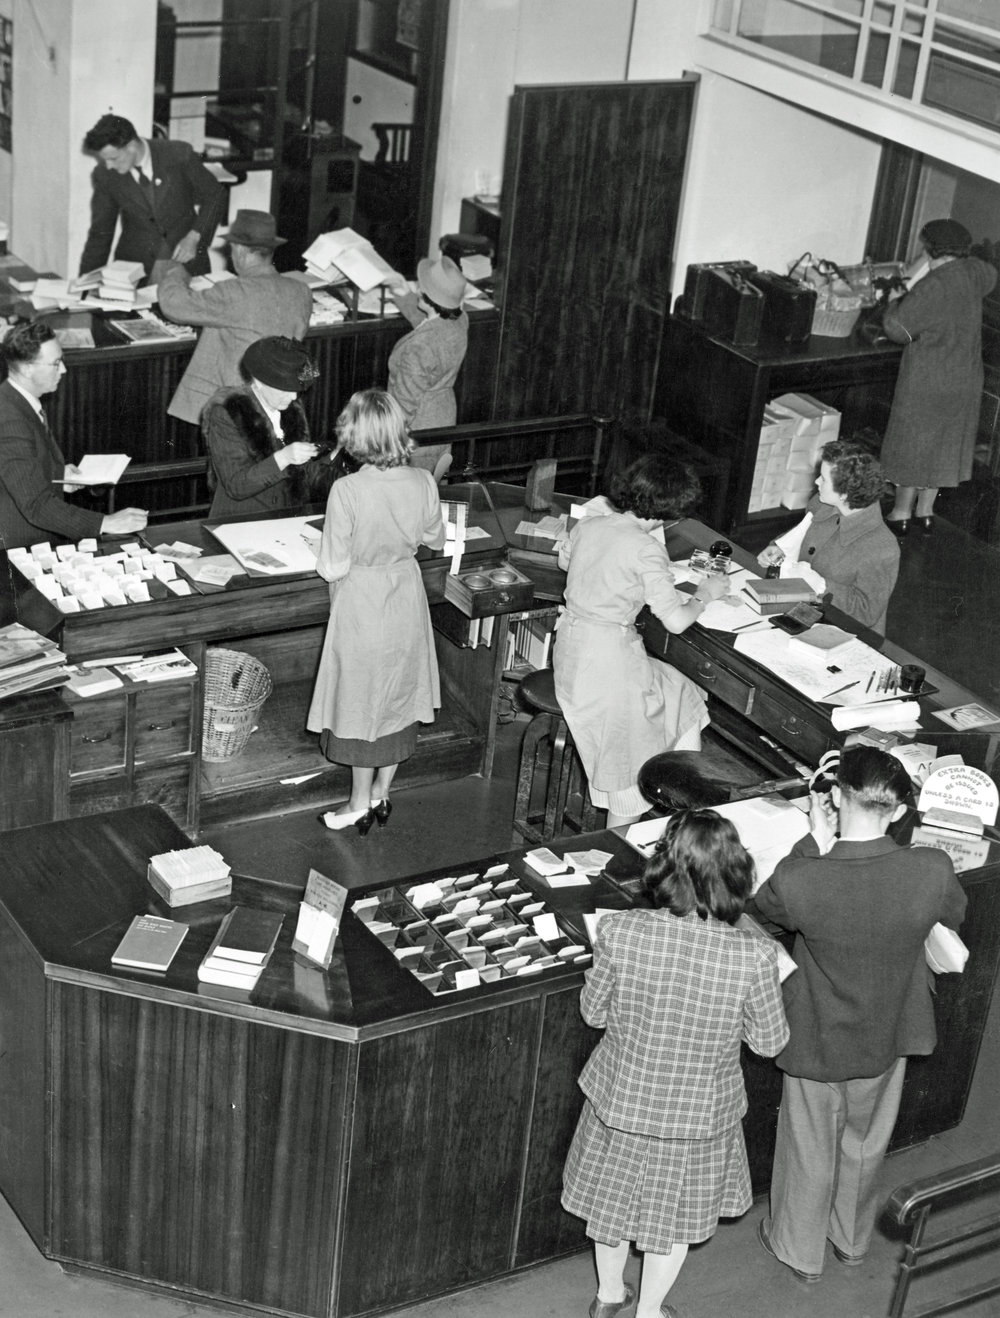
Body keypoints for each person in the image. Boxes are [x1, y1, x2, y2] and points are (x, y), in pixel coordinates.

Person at [750, 746, 967, 1282]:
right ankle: (850, 1239)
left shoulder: (804, 876)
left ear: (835, 796)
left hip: (817, 1033)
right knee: (867, 1141)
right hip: (892, 1029)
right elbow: (953, 914)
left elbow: (765, 904)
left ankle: (799, 1250)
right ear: (897, 811)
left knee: (809, 1145)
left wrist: (813, 841)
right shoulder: (931, 868)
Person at [563, 809, 789, 1318]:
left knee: (611, 1207)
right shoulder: (754, 956)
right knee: (674, 1222)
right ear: (735, 872)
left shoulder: (621, 930)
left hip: (620, 1100)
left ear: (665, 865)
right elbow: (769, 1043)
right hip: (697, 1117)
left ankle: (608, 1298)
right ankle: (649, 1313)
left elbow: (592, 1012)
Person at [553, 454, 728, 829]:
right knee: (631, 764)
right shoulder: (648, 548)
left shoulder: (592, 525)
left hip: (571, 650)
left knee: (682, 692)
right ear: (670, 510)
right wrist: (705, 593)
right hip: (608, 662)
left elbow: (567, 565)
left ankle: (682, 804)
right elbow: (677, 621)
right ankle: (623, 843)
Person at [306, 390, 445, 834]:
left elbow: (332, 565)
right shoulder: (423, 480)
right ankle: (383, 792)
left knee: (361, 697)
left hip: (362, 599)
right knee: (399, 693)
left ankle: (357, 803)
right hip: (405, 591)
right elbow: (435, 539)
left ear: (353, 437)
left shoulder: (346, 489)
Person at [879, 218, 997, 537]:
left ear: (929, 248)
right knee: (943, 444)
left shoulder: (933, 285)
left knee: (913, 444)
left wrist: (893, 301)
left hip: (929, 378)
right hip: (965, 377)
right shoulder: (976, 273)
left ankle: (901, 513)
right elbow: (988, 272)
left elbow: (898, 330)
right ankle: (926, 512)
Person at [157, 209, 313, 425]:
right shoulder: (302, 291)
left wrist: (176, 274)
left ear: (239, 249)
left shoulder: (235, 292)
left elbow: (173, 304)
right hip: (280, 407)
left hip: (233, 409)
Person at [0, 322, 147, 549]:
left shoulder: (15, 398)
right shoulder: (9, 419)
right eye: (56, 363)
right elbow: (36, 505)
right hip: (20, 547)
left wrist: (58, 475)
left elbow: (18, 471)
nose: (64, 370)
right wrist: (106, 522)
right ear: (28, 368)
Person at [756, 440, 899, 634]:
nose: (817, 482)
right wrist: (780, 547)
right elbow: (804, 532)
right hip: (799, 613)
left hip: (841, 633)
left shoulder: (882, 548)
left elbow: (866, 612)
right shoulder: (822, 502)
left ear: (844, 494)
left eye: (823, 479)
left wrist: (821, 585)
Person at [78, 113, 224, 279]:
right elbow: (101, 232)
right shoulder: (105, 175)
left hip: (187, 261)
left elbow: (215, 195)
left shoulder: (178, 154)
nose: (109, 166)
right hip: (136, 267)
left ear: (131, 146)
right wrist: (85, 281)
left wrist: (195, 236)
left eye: (113, 158)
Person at [201, 336, 326, 519]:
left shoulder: (292, 408)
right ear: (258, 382)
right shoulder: (227, 412)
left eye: (297, 390)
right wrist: (283, 458)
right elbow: (236, 485)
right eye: (285, 389)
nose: (293, 397)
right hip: (240, 520)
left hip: (286, 518)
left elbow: (303, 477)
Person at [385, 254, 468, 481]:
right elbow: (428, 323)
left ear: (427, 296)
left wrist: (384, 444)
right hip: (442, 416)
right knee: (434, 484)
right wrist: (403, 292)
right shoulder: (460, 321)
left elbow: (404, 404)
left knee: (410, 489)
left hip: (418, 426)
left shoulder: (420, 348)